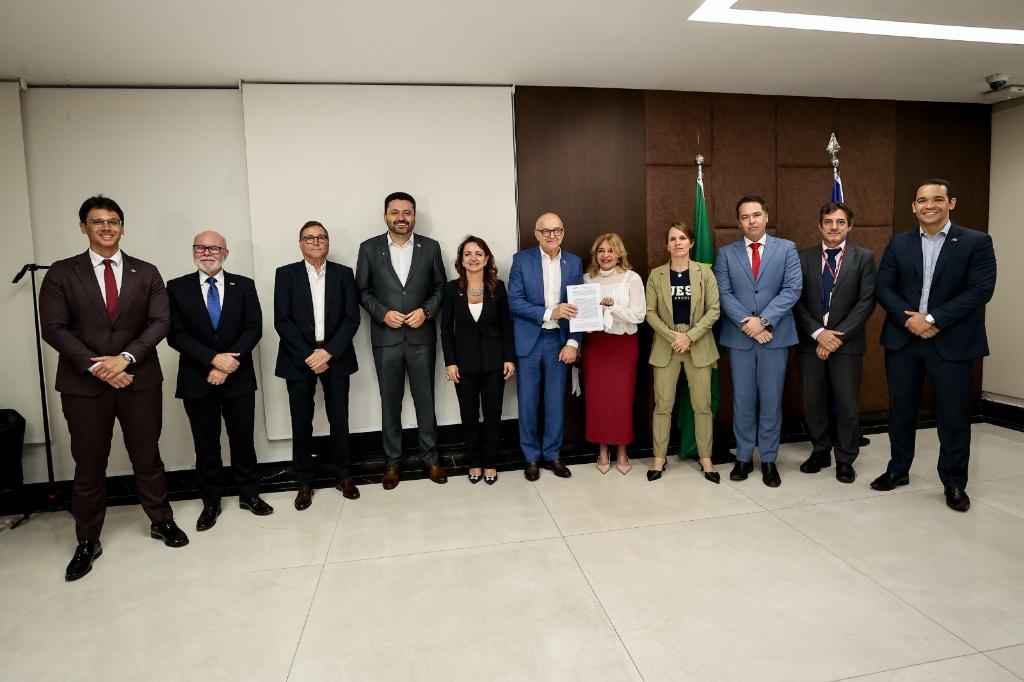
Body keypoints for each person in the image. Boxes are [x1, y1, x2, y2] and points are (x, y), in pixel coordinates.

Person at [39, 195, 188, 582]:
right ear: (83, 227)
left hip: (139, 379)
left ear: (122, 227)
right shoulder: (61, 273)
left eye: (113, 221)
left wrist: (125, 358)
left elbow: (160, 321)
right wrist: (99, 367)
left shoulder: (146, 271)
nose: (106, 227)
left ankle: (161, 520)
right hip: (83, 385)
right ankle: (87, 540)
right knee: (89, 463)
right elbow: (53, 328)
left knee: (147, 455)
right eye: (97, 221)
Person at [871, 179, 997, 512]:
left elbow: (980, 290)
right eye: (922, 200)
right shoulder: (899, 243)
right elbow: (883, 286)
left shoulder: (976, 242)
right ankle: (898, 469)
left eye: (937, 199)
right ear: (913, 206)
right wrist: (910, 320)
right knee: (901, 412)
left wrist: (931, 319)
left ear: (950, 203)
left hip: (952, 342)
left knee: (954, 417)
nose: (930, 205)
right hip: (903, 341)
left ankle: (954, 482)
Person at [167, 230, 273, 531]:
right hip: (196, 379)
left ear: (225, 254)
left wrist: (227, 365)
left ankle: (249, 495)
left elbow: (254, 328)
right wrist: (213, 359)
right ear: (193, 251)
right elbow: (175, 334)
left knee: (243, 440)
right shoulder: (176, 287)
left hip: (238, 378)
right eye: (200, 247)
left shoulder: (244, 285)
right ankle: (211, 502)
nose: (207, 253)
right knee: (206, 444)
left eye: (214, 248)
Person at [356, 192, 448, 489]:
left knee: (426, 400)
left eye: (407, 212)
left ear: (414, 216)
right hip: (386, 339)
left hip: (421, 338)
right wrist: (383, 314)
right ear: (385, 216)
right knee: (390, 402)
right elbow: (362, 291)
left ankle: (431, 459)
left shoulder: (430, 247)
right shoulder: (369, 248)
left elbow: (440, 288)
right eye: (395, 212)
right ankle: (392, 462)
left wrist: (426, 311)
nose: (401, 218)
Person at [714, 195, 802, 488]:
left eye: (755, 215)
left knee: (771, 400)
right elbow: (724, 293)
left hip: (774, 338)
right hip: (740, 339)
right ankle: (742, 457)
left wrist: (762, 321)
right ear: (738, 222)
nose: (751, 221)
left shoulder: (787, 249)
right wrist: (749, 325)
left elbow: (792, 290)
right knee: (742, 400)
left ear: (766, 217)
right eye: (744, 217)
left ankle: (768, 459)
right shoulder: (726, 254)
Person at [274, 221, 361, 510]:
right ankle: (304, 482)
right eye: (309, 237)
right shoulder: (285, 274)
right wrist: (310, 355)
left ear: (328, 243)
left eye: (321, 237)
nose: (315, 241)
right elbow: (282, 320)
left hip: (336, 355)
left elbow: (352, 318)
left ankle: (344, 475)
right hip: (298, 357)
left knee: (340, 419)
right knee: (301, 421)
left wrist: (328, 353)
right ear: (300, 244)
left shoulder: (343, 274)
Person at [793, 203, 877, 484]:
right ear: (820, 225)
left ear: (850, 226)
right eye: (828, 222)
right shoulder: (803, 258)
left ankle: (845, 458)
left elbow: (866, 302)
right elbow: (796, 301)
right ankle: (820, 451)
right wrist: (819, 333)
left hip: (847, 345)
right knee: (812, 402)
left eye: (840, 222)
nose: (834, 227)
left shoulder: (864, 258)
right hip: (810, 343)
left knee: (847, 404)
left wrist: (834, 337)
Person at [508, 212, 583, 480]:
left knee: (554, 402)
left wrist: (573, 342)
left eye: (557, 230)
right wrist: (550, 312)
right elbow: (515, 302)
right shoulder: (521, 260)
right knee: (528, 402)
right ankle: (530, 456)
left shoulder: (574, 262)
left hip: (559, 342)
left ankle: (552, 455)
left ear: (563, 233)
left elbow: (580, 306)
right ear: (536, 234)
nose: (552, 235)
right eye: (546, 231)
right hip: (530, 340)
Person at [646, 222, 721, 483]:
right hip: (666, 346)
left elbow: (714, 310)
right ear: (666, 245)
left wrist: (689, 336)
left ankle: (705, 457)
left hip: (698, 344)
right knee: (663, 406)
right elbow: (650, 312)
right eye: (672, 239)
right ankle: (659, 457)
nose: (677, 242)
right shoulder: (656, 275)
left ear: (691, 243)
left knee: (702, 406)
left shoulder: (705, 273)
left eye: (682, 238)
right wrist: (673, 337)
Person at [440, 236, 516, 484]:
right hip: (463, 363)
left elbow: (506, 325)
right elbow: (445, 329)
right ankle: (474, 461)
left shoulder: (498, 287)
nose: (473, 258)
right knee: (469, 414)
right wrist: (450, 362)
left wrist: (509, 358)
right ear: (461, 260)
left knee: (493, 413)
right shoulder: (451, 289)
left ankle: (490, 462)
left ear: (486, 259)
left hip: (495, 362)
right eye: (468, 254)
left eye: (478, 253)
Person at [582, 233, 646, 475]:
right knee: (597, 398)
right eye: (601, 251)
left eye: (611, 250)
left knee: (621, 397)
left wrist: (614, 307)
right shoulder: (586, 279)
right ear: (595, 254)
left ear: (620, 254)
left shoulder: (632, 278)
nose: (606, 255)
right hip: (596, 346)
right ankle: (602, 449)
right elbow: (581, 315)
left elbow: (639, 315)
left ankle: (621, 449)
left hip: (623, 345)